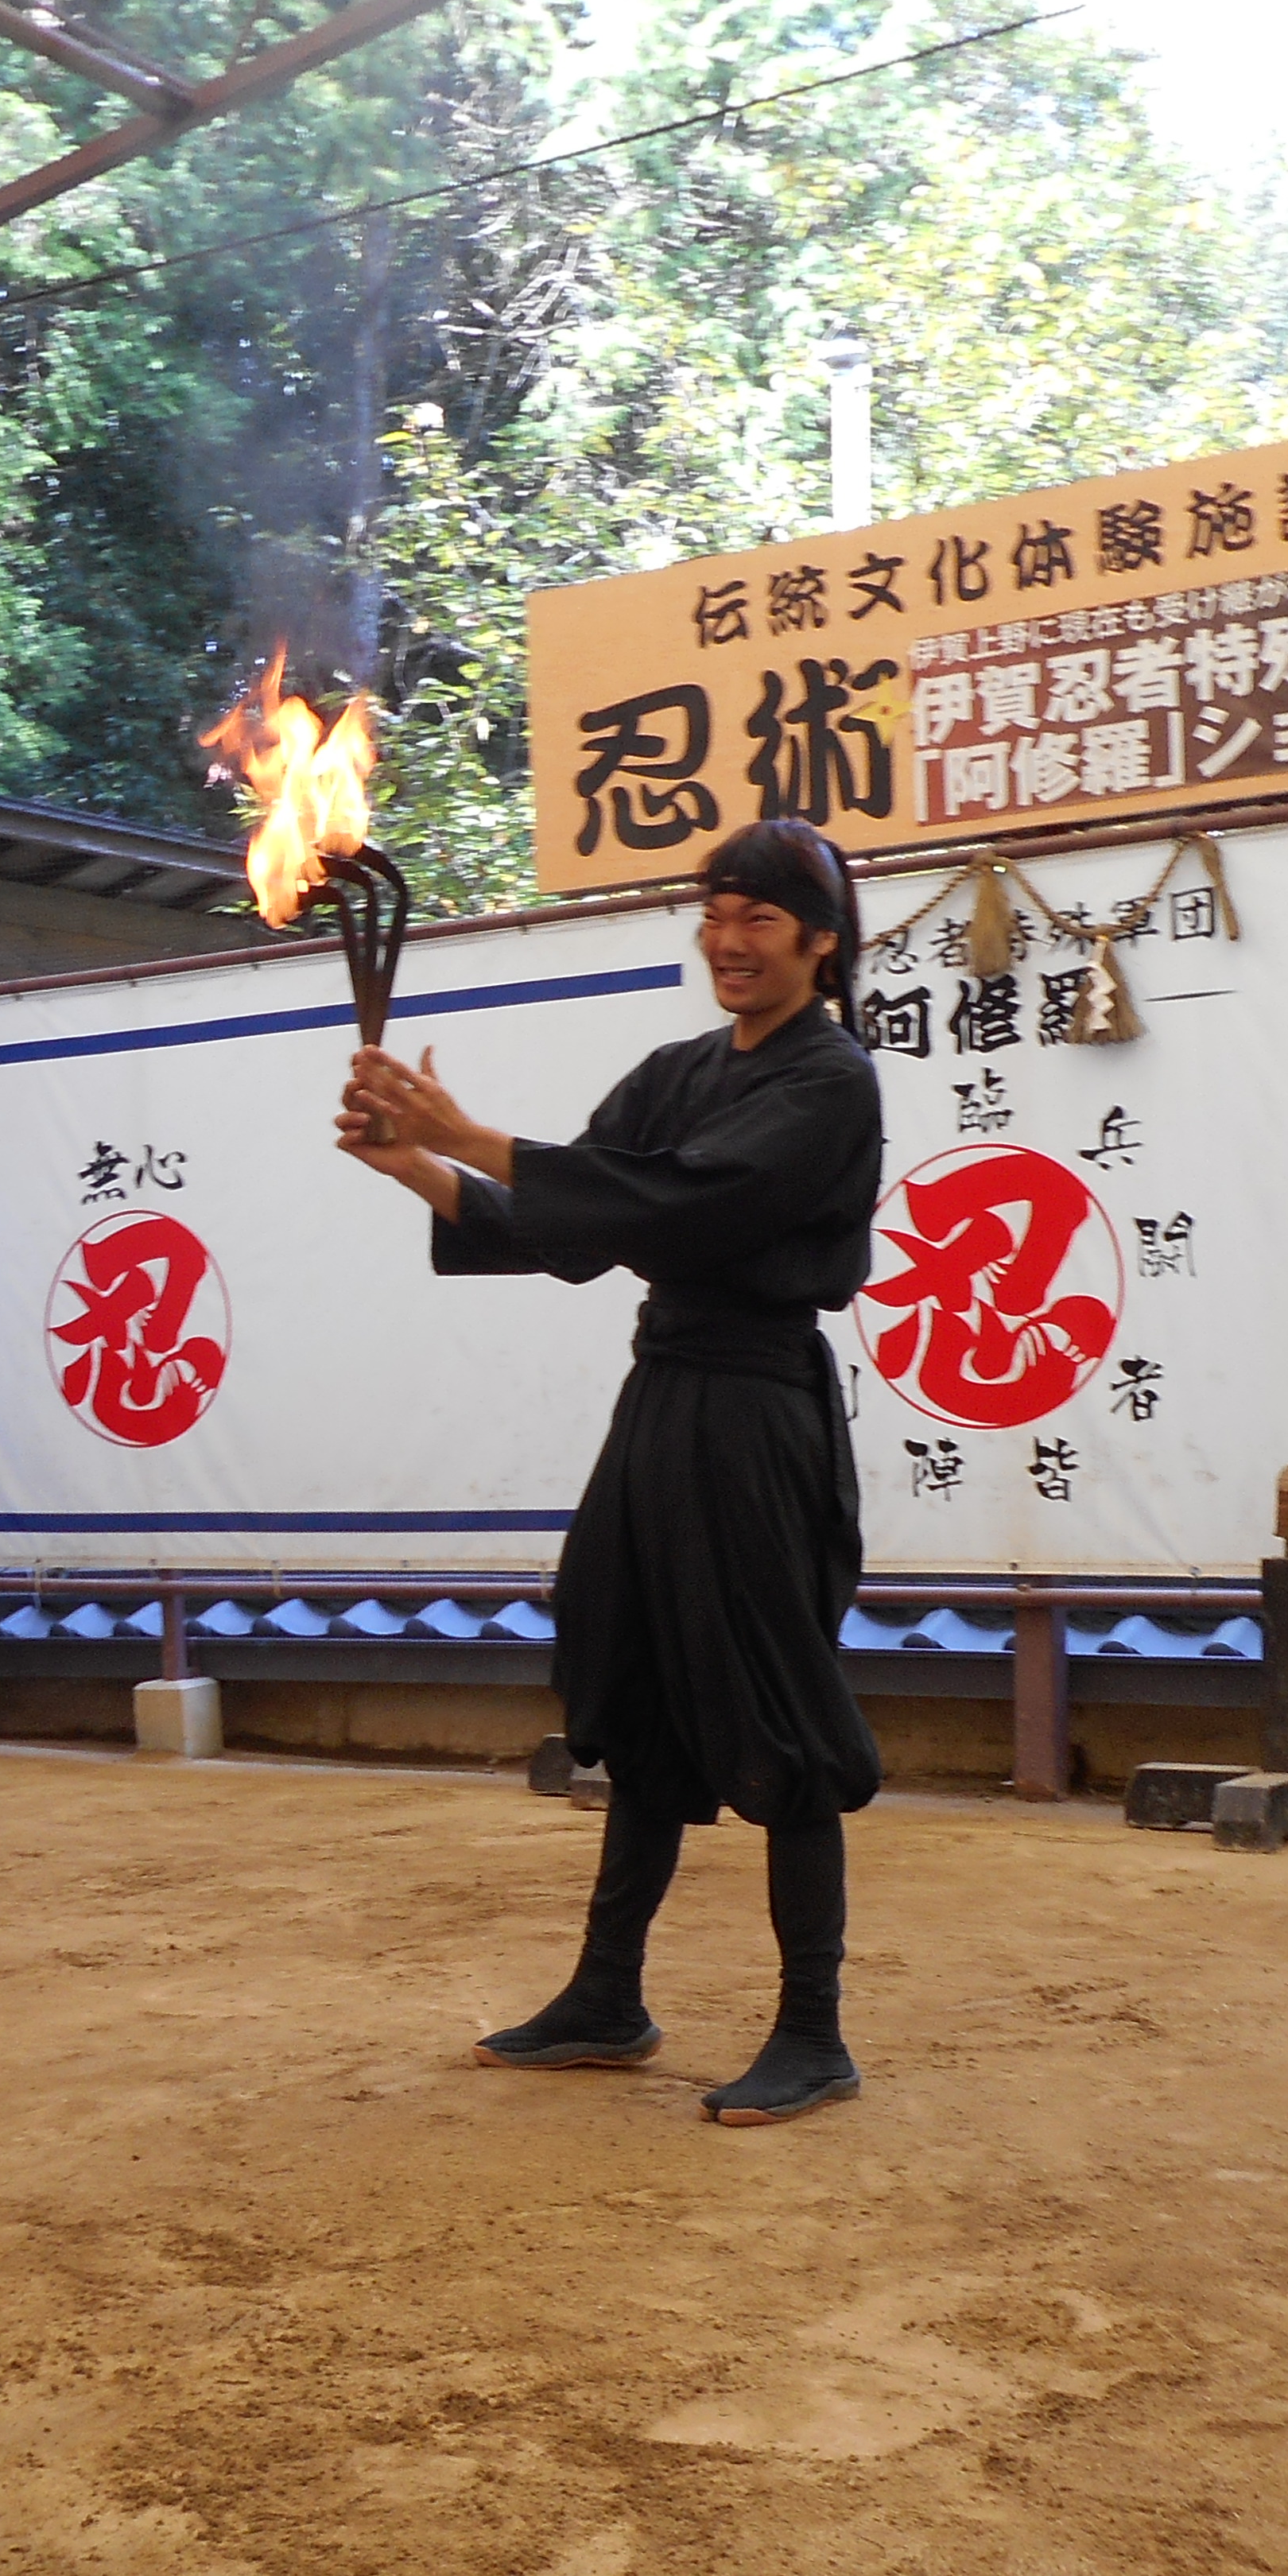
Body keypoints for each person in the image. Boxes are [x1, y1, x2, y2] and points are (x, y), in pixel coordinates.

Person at [336, 819, 884, 2125]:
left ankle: (814, 2031)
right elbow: (575, 1225)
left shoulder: (832, 1079)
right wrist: (413, 1160)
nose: (728, 941)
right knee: (634, 1681)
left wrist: (466, 1130)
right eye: (715, 913)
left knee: (777, 1703)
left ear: (819, 941)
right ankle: (605, 1997)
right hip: (664, 1400)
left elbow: (674, 1203)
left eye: (759, 918)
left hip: (757, 1411)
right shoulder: (678, 1071)